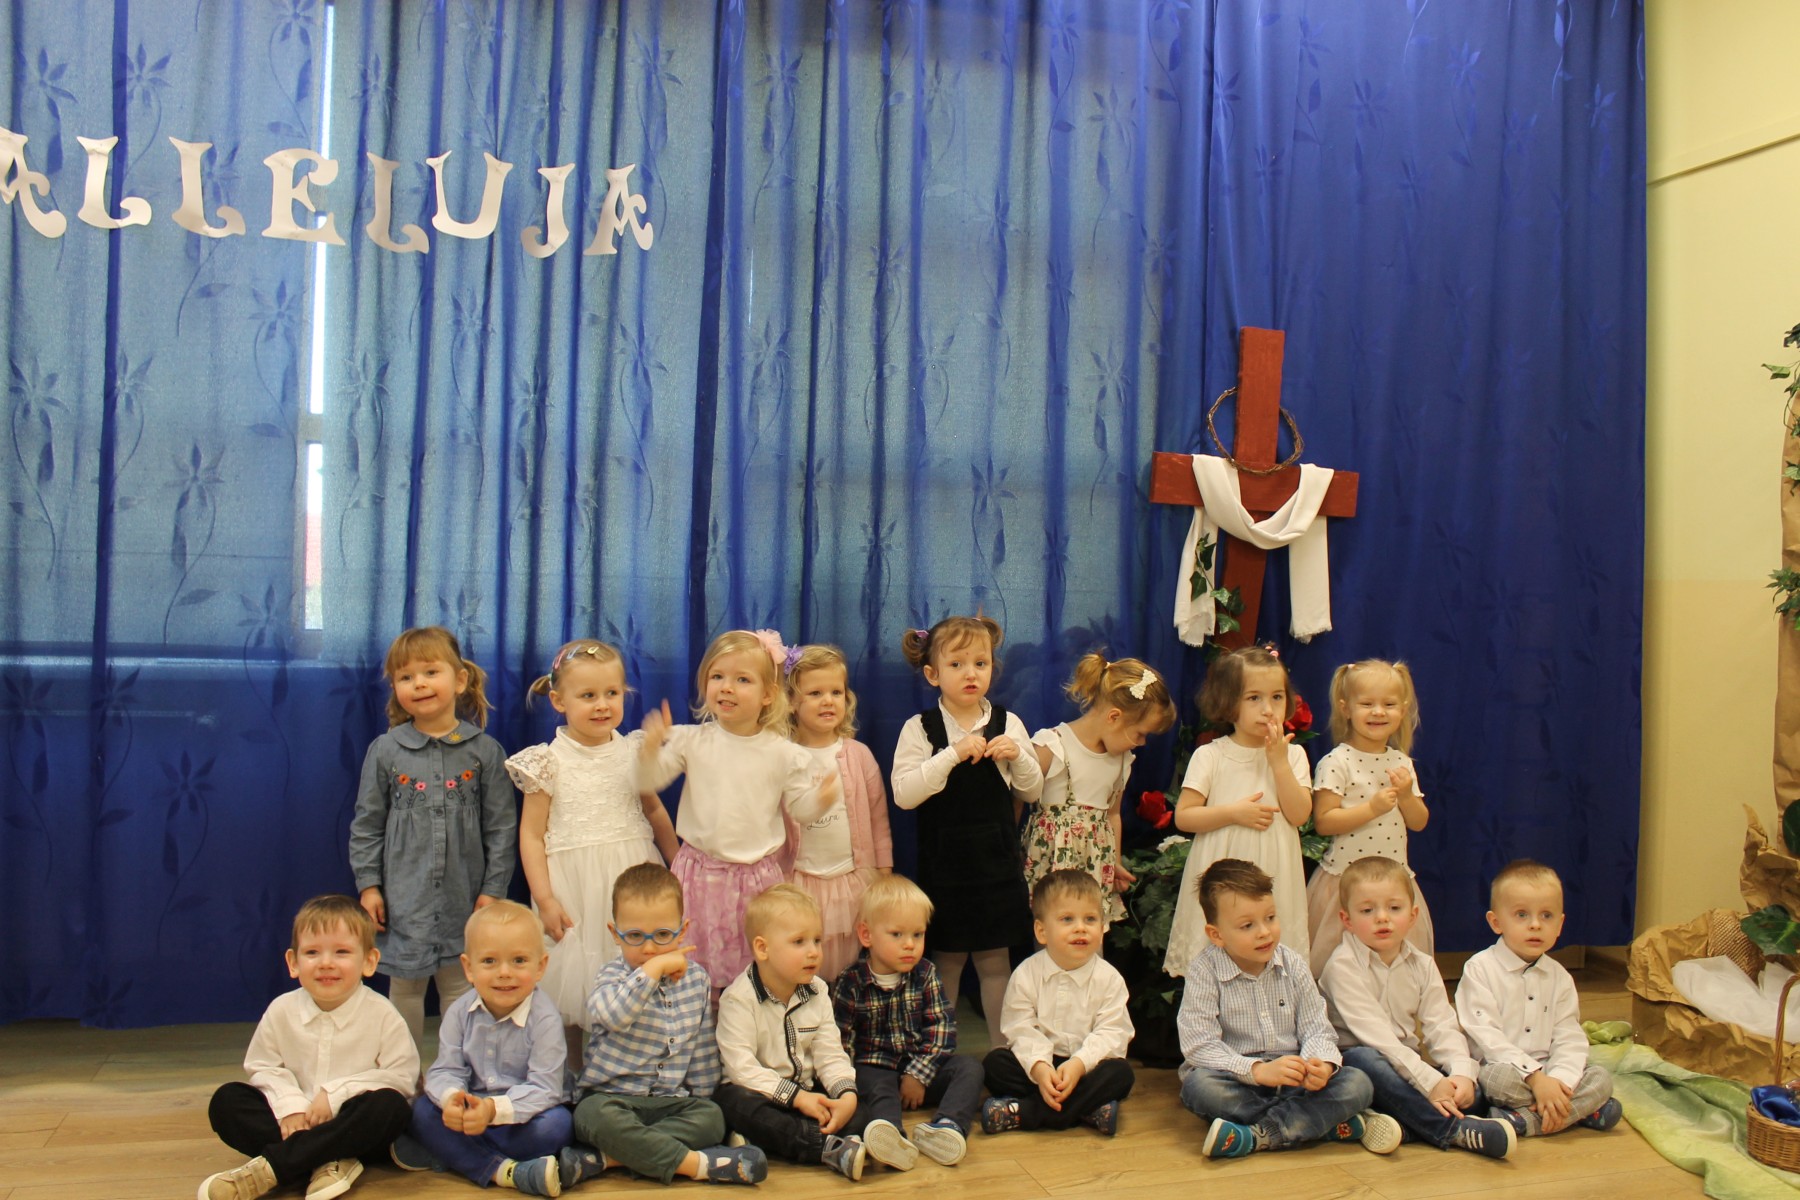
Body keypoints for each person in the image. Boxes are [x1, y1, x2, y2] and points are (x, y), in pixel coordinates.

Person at [641, 630, 840, 992]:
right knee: (695, 963)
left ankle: (748, 1023)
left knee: (755, 964)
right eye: (717, 676)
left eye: (742, 679)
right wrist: (650, 751)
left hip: (756, 879)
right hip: (699, 875)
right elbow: (649, 779)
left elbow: (800, 809)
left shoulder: (782, 752)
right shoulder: (693, 741)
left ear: (768, 694)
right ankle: (702, 1021)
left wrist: (821, 799)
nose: (727, 688)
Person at [349, 626, 518, 1052]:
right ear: (395, 688)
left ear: (459, 680)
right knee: (405, 988)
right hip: (404, 898)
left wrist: (493, 890)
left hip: (465, 896)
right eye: (406, 677)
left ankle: (454, 1067)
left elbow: (501, 829)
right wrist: (369, 885)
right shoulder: (385, 751)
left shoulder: (485, 751)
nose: (419, 684)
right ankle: (402, 1069)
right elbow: (367, 824)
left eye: (430, 672)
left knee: (459, 985)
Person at [506, 639, 676, 1057]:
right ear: (558, 701)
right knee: (573, 979)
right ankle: (571, 1069)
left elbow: (654, 809)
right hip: (573, 886)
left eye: (611, 693)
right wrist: (545, 899)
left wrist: (679, 864)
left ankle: (631, 1063)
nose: (602, 705)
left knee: (634, 965)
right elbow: (531, 835)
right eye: (588, 696)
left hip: (632, 877)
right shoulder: (547, 761)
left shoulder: (633, 750)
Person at [1174, 859, 1395, 1159]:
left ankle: (1256, 1135)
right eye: (1247, 926)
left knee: (1358, 1083)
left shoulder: (1293, 963)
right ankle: (1317, 1123)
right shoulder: (1205, 970)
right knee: (1198, 1087)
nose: (1265, 932)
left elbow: (1317, 1029)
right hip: (1240, 1081)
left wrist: (1320, 1065)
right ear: (1217, 935)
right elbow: (1199, 1046)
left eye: (1270, 918)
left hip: (1294, 1081)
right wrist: (1257, 1071)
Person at [200, 895, 417, 1200]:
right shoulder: (281, 1010)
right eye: (312, 952)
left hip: (351, 1126)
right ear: (293, 962)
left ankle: (275, 1168)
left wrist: (335, 1095)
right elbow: (263, 1067)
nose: (326, 963)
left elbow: (401, 1078)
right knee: (227, 1101)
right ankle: (326, 1160)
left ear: (369, 961)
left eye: (342, 952)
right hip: (293, 1123)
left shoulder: (383, 1014)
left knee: (390, 1107)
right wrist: (292, 1107)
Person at [562, 864, 766, 1188]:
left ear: (682, 931)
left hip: (669, 1102)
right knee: (590, 1117)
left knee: (712, 1119)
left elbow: (701, 1050)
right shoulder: (611, 976)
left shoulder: (696, 980)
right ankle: (700, 1165)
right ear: (615, 933)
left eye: (661, 936)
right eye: (634, 936)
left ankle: (607, 1158)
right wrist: (653, 969)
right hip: (611, 1099)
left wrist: (704, 1099)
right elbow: (614, 1015)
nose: (648, 948)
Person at [891, 615, 1044, 1048]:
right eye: (956, 664)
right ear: (933, 674)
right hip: (945, 870)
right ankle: (939, 1054)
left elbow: (1032, 791)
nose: (970, 673)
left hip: (996, 867)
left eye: (981, 663)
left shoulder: (1008, 723)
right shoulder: (920, 728)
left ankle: (1002, 1054)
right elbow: (904, 795)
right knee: (946, 963)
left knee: (996, 965)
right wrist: (952, 754)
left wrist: (1019, 757)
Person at [1318, 857, 1514, 1158]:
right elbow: (1379, 1040)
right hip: (1360, 1063)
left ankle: (1400, 1124)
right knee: (1365, 1061)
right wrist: (1431, 1083)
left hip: (1407, 1065)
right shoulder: (1342, 967)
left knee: (1471, 1092)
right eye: (1367, 911)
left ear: (1412, 916)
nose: (1382, 918)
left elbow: (1441, 1025)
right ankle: (1453, 1130)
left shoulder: (1422, 964)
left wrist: (1460, 1074)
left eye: (1394, 908)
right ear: (1347, 920)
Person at [390, 902, 570, 1195]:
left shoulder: (545, 1019)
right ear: (468, 968)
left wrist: (493, 1110)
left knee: (557, 1127)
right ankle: (506, 1171)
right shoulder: (460, 1012)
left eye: (519, 960)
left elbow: (545, 1088)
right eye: (489, 961)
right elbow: (446, 1069)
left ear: (540, 967)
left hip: (519, 1117)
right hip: (470, 1112)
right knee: (421, 1111)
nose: (504, 972)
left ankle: (454, 1154)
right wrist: (452, 1099)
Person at [1164, 645, 1312, 976]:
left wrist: (1279, 764)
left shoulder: (1293, 755)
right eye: (1253, 698)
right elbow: (1185, 816)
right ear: (1229, 703)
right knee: (1219, 958)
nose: (1268, 709)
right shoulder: (1211, 755)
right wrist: (1232, 813)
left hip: (1274, 870)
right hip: (1223, 870)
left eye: (1276, 697)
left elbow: (1300, 814)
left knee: (1272, 961)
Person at [1456, 860, 1622, 1137]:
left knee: (1601, 1078)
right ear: (1496, 922)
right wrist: (1535, 1079)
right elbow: (1487, 1038)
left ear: (1560, 924)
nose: (1535, 925)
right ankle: (1578, 1112)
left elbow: (1569, 1037)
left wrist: (1557, 1082)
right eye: (1521, 915)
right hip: (1504, 1069)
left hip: (1549, 1071)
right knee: (1495, 1080)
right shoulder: (1479, 969)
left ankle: (1525, 1120)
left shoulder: (1560, 977)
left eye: (1546, 916)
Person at [714, 885, 870, 1180]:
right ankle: (827, 1146)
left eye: (817, 940)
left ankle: (790, 1140)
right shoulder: (738, 999)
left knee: (859, 1107)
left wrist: (845, 1096)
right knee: (733, 1103)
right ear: (763, 949)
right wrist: (796, 1098)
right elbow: (741, 1069)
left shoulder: (818, 991)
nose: (813, 952)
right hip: (759, 1093)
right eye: (799, 942)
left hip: (806, 1092)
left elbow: (829, 1053)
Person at [831, 873, 983, 1169]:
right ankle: (891, 1136)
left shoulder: (925, 974)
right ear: (867, 935)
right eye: (897, 935)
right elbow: (842, 1041)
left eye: (918, 935)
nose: (909, 945)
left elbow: (942, 1029)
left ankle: (947, 1126)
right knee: (875, 1083)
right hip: (875, 1067)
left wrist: (919, 1074)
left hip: (919, 1066)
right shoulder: (851, 982)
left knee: (970, 1068)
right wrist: (847, 1085)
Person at [980, 870, 1136, 1137]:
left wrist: (1078, 1065)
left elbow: (1112, 1032)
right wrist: (1040, 1068)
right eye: (1067, 919)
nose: (1080, 928)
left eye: (1090, 919)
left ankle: (1024, 1113)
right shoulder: (1026, 974)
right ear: (1041, 931)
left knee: (1120, 1073)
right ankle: (1087, 1110)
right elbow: (1020, 1028)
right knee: (995, 1064)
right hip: (1040, 1064)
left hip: (1085, 1065)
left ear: (1102, 927)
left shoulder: (1110, 979)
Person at [1304, 659, 1433, 977]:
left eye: (1388, 704)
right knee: (1341, 963)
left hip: (1392, 880)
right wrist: (1371, 809)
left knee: (1392, 960)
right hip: (1346, 880)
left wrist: (1406, 796)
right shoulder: (1337, 761)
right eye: (1367, 704)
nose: (1378, 712)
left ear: (1402, 710)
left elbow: (1418, 822)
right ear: (1346, 708)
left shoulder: (1401, 762)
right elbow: (1324, 821)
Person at [1025, 654, 1175, 927]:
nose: (1142, 743)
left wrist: (1113, 862)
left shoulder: (1122, 761)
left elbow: (1113, 814)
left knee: (1091, 933)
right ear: (1114, 717)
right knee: (1054, 930)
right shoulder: (1053, 746)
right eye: (1140, 734)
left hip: (1094, 867)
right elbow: (1018, 797)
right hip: (1053, 867)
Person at [784, 644, 894, 980]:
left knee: (847, 970)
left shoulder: (858, 755)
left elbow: (878, 820)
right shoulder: (781, 756)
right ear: (791, 701)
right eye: (815, 693)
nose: (828, 701)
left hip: (851, 883)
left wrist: (884, 874)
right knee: (801, 965)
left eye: (836, 692)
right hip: (798, 882)